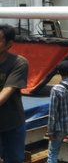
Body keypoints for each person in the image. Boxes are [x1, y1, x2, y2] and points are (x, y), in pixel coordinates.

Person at [0, 24, 28, 163]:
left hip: (12, 123)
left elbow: (5, 94)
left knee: (15, 160)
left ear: (9, 44)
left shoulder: (19, 63)